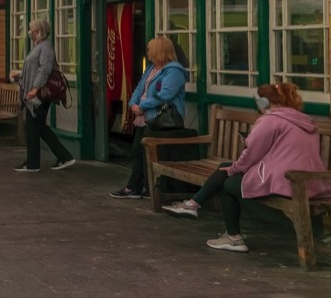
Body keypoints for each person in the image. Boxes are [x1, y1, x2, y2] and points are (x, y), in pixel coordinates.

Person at [162, 83, 331, 253]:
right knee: (225, 168)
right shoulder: (304, 121)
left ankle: (232, 236)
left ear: (263, 102)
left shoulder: (271, 120)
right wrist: (234, 168)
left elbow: (253, 153)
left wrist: (235, 169)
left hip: (284, 182)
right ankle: (193, 205)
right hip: (310, 182)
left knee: (227, 184)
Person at [110, 36, 189, 198]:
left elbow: (165, 95)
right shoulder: (151, 68)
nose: (147, 51)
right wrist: (133, 103)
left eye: (150, 48)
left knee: (143, 151)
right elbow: (140, 88)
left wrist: (143, 106)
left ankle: (136, 188)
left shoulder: (174, 71)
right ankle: (140, 188)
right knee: (138, 151)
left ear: (159, 50)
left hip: (162, 119)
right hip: (145, 117)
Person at [12, 18, 75, 173]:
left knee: (34, 126)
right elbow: (33, 69)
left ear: (39, 32)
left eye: (32, 30)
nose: (29, 33)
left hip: (39, 95)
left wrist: (35, 88)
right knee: (36, 127)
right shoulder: (38, 47)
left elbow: (45, 69)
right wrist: (19, 75)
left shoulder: (45, 47)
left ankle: (36, 162)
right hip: (35, 93)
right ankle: (57, 157)